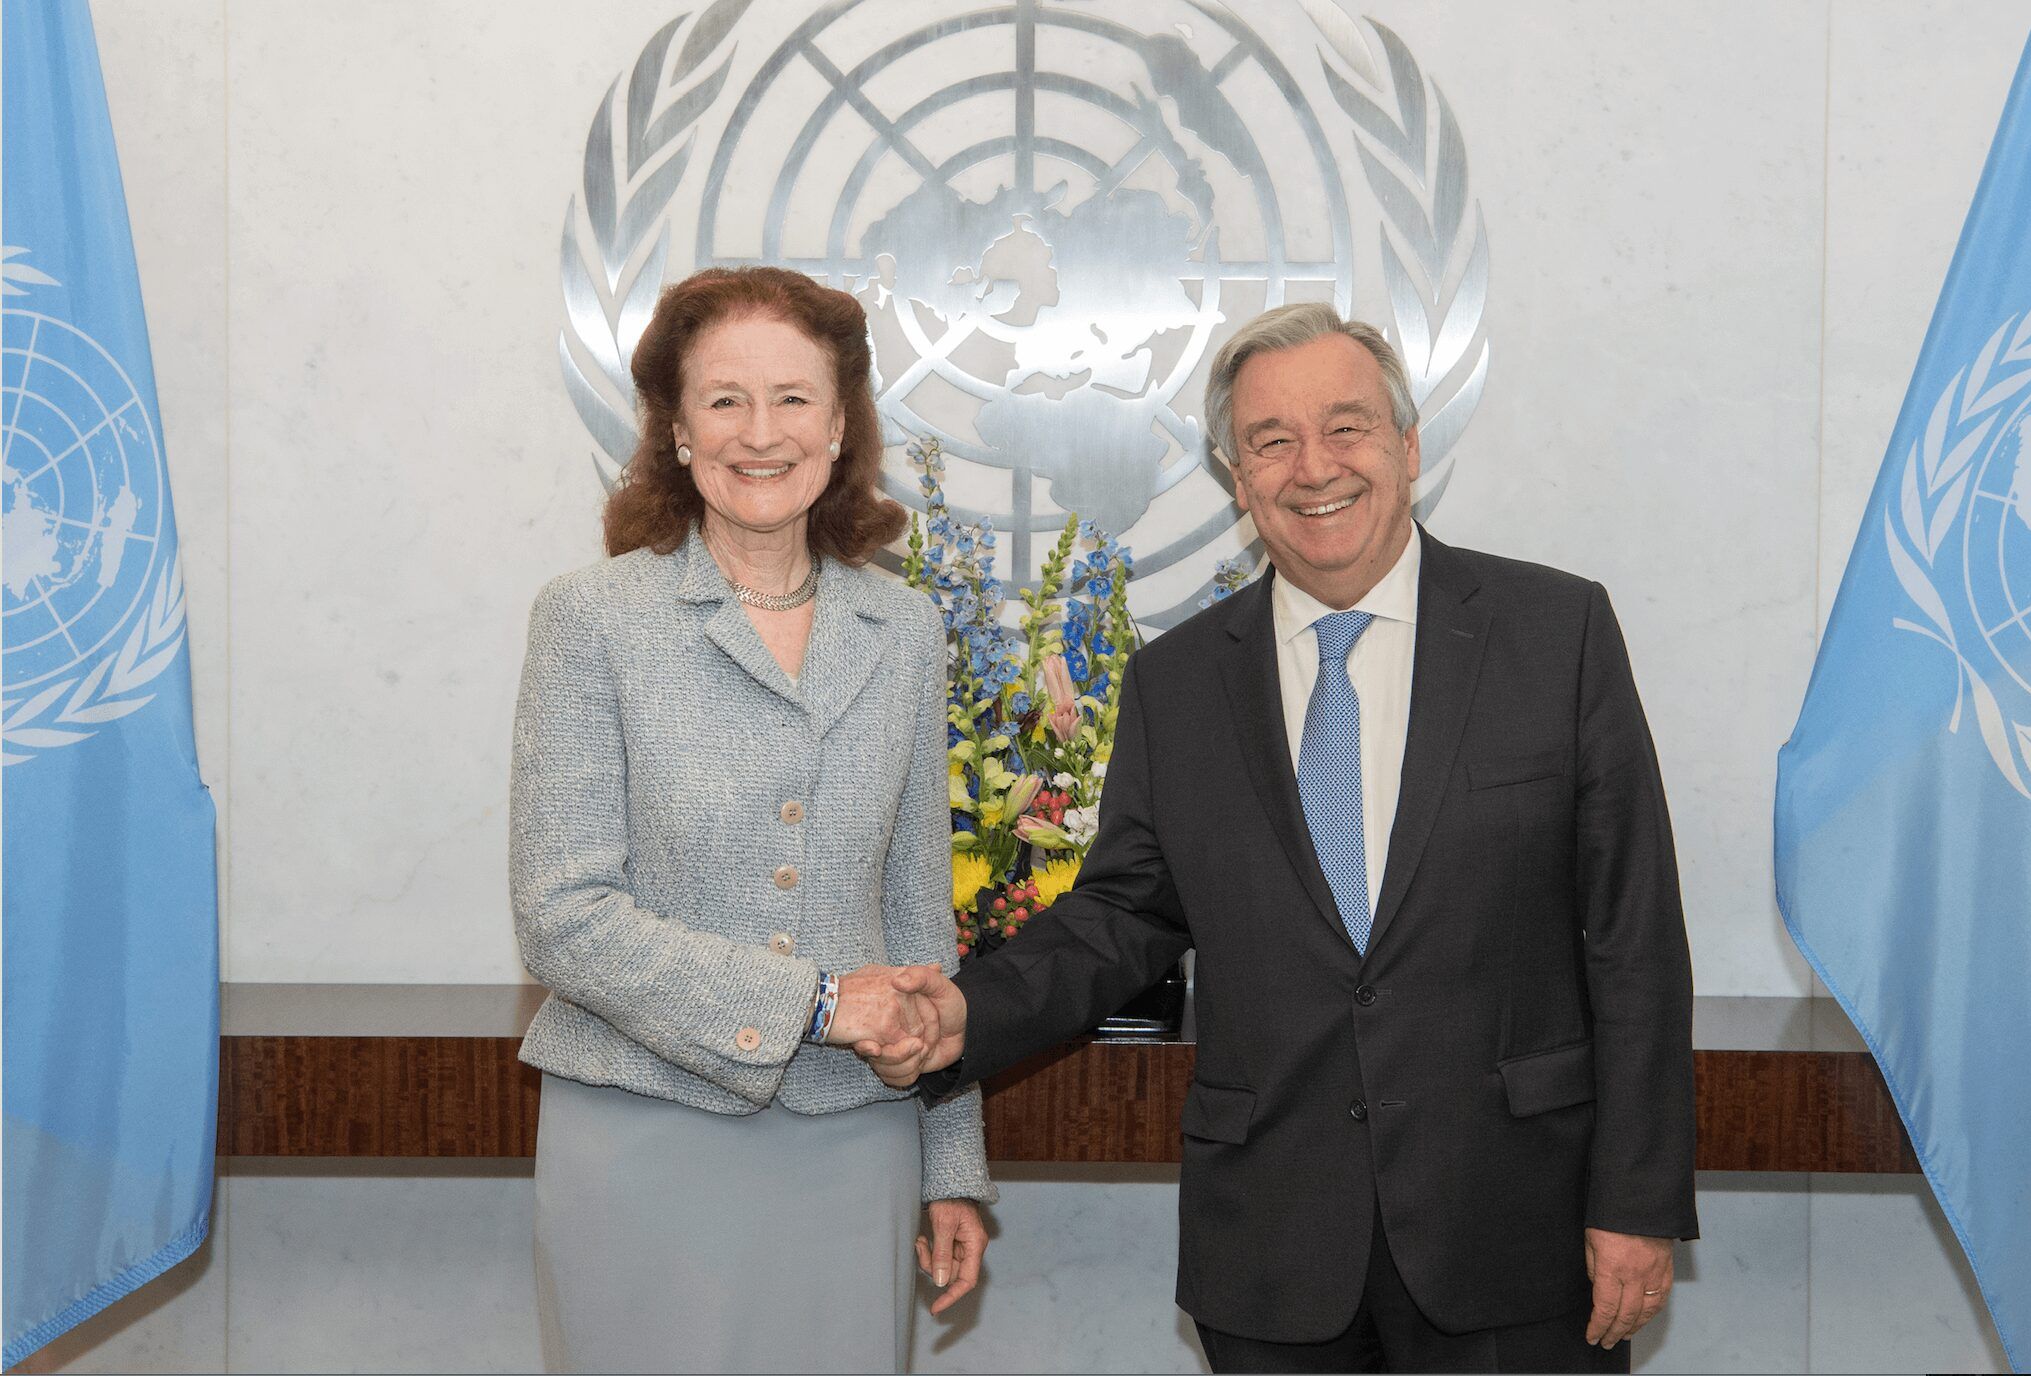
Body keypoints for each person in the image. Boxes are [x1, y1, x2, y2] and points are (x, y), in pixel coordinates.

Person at [864, 303, 1698, 1374]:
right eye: (1271, 441)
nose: (1314, 467)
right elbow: (1124, 915)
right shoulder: (1178, 682)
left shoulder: (1555, 632)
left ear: (1406, 444)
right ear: (1235, 475)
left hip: (1517, 1229)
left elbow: (1633, 936)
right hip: (1273, 1245)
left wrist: (1636, 1197)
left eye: (1346, 427)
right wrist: (961, 1011)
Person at [509, 265, 990, 1374]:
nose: (758, 431)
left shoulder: (904, 629)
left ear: (839, 427)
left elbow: (919, 912)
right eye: (724, 399)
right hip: (640, 1133)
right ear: (676, 430)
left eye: (792, 398)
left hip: (854, 1139)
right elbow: (562, 916)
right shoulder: (590, 619)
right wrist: (817, 1001)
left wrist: (950, 1157)